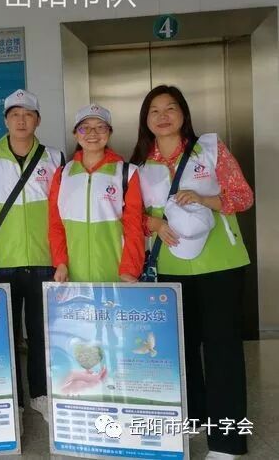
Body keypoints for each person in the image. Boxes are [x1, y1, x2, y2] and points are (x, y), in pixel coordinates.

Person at [130, 85, 252, 460]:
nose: (163, 116)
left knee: (222, 349)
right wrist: (154, 224)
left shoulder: (210, 149)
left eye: (171, 108)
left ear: (183, 113)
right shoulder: (140, 164)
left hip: (220, 263)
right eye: (154, 110)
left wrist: (204, 199)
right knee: (180, 348)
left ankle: (227, 441)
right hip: (169, 267)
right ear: (146, 120)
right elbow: (131, 216)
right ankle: (195, 417)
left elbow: (242, 196)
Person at [0, 89, 64, 420]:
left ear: (38, 120)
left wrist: (61, 259)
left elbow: (62, 212)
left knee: (41, 333)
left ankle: (40, 394)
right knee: (6, 335)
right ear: (6, 120)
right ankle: (14, 400)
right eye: (14, 114)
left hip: (44, 261)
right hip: (2, 262)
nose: (21, 120)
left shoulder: (55, 157)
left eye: (28, 115)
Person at [48, 103, 144, 283]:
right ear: (75, 134)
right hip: (73, 277)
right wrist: (60, 263)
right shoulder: (62, 174)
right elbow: (56, 225)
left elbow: (134, 227)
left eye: (100, 127)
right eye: (84, 128)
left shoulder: (127, 173)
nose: (93, 133)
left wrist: (129, 270)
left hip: (116, 276)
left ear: (109, 132)